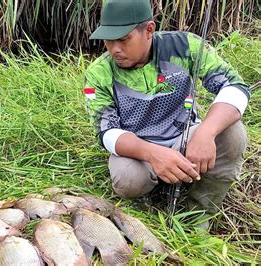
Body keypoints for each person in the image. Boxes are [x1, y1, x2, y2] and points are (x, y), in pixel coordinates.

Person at [84, 0, 250, 223]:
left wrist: (206, 132)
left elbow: (235, 86)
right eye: (108, 40)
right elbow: (105, 131)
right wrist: (153, 154)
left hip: (185, 136)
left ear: (149, 30)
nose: (115, 49)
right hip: (137, 148)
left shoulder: (185, 46)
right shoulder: (98, 73)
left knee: (232, 133)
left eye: (124, 39)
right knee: (128, 180)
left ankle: (201, 212)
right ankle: (144, 201)